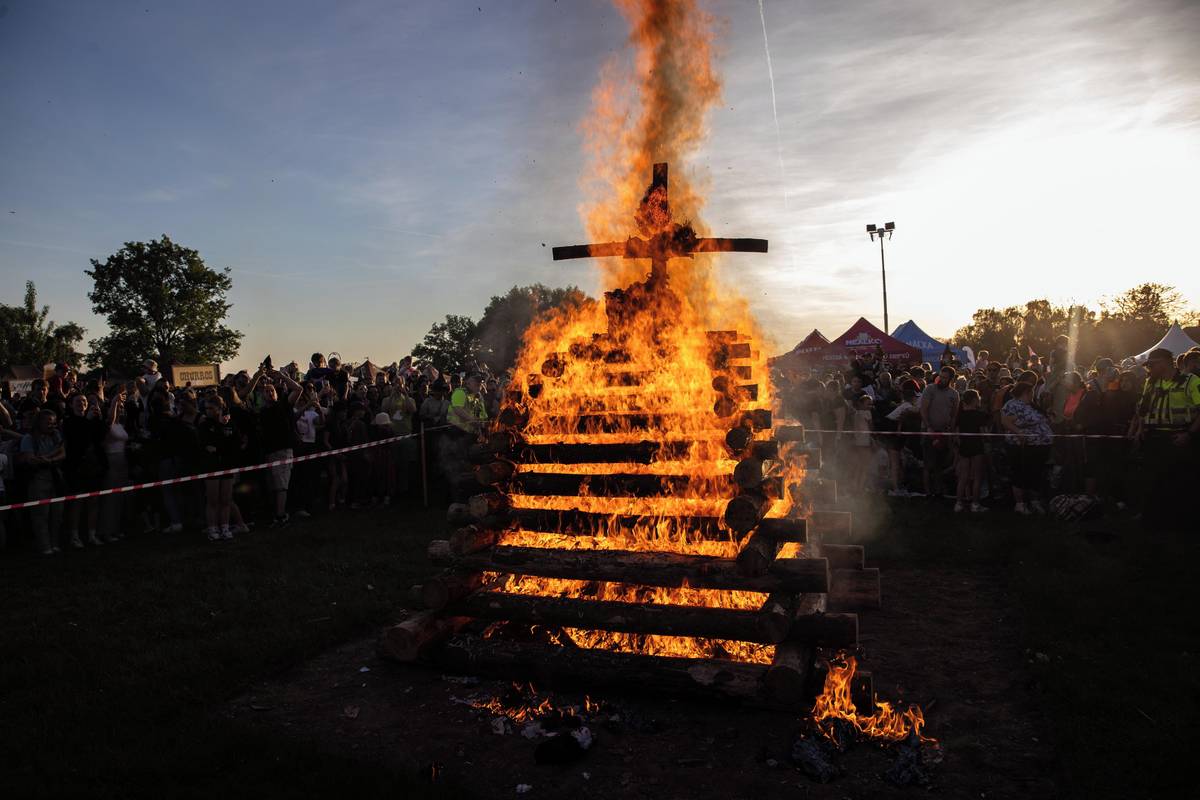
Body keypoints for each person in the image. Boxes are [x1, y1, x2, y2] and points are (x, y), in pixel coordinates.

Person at [1128, 348, 1200, 529]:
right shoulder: (1151, 383)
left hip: (1179, 438)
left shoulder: (1191, 382)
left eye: (1152, 365)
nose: (1149, 369)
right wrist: (1140, 430)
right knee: (1152, 480)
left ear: (1164, 363)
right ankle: (1151, 518)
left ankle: (1181, 522)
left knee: (1180, 482)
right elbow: (1142, 410)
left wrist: (1189, 434)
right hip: (1154, 438)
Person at [1000, 381, 1054, 515]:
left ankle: (1034, 501)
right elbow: (1006, 421)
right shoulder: (1012, 405)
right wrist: (1019, 432)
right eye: (1031, 391)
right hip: (1021, 445)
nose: (1033, 394)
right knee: (1020, 472)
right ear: (1026, 392)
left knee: (1035, 473)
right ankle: (1020, 504)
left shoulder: (1031, 405)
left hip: (1039, 445)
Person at [19, 409, 66, 555]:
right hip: (38, 479)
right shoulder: (29, 438)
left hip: (55, 477)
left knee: (57, 514)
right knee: (41, 514)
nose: (51, 425)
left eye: (53, 422)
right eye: (48, 422)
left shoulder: (57, 435)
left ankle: (55, 543)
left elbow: (63, 453)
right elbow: (29, 458)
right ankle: (45, 546)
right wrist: (49, 458)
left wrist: (48, 459)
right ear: (39, 422)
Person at [197, 396, 240, 541]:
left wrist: (223, 427)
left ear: (219, 408)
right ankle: (212, 528)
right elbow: (206, 444)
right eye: (206, 408)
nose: (208, 411)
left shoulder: (228, 423)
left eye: (211, 408)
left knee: (226, 499)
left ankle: (225, 527)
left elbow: (233, 442)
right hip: (211, 465)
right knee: (213, 500)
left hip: (226, 464)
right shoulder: (204, 425)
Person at [919, 365, 960, 499]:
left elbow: (953, 415)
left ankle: (938, 491)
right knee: (928, 463)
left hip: (944, 433)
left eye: (945, 378)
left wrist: (952, 432)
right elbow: (924, 409)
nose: (941, 380)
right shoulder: (930, 389)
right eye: (940, 377)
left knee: (940, 464)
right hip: (929, 431)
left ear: (951, 379)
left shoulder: (954, 394)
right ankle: (928, 492)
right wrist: (928, 427)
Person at [953, 389, 989, 513]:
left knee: (963, 477)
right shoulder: (980, 415)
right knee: (977, 477)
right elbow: (984, 433)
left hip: (964, 446)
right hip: (977, 446)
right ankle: (975, 504)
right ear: (974, 400)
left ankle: (958, 503)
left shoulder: (960, 415)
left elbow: (957, 435)